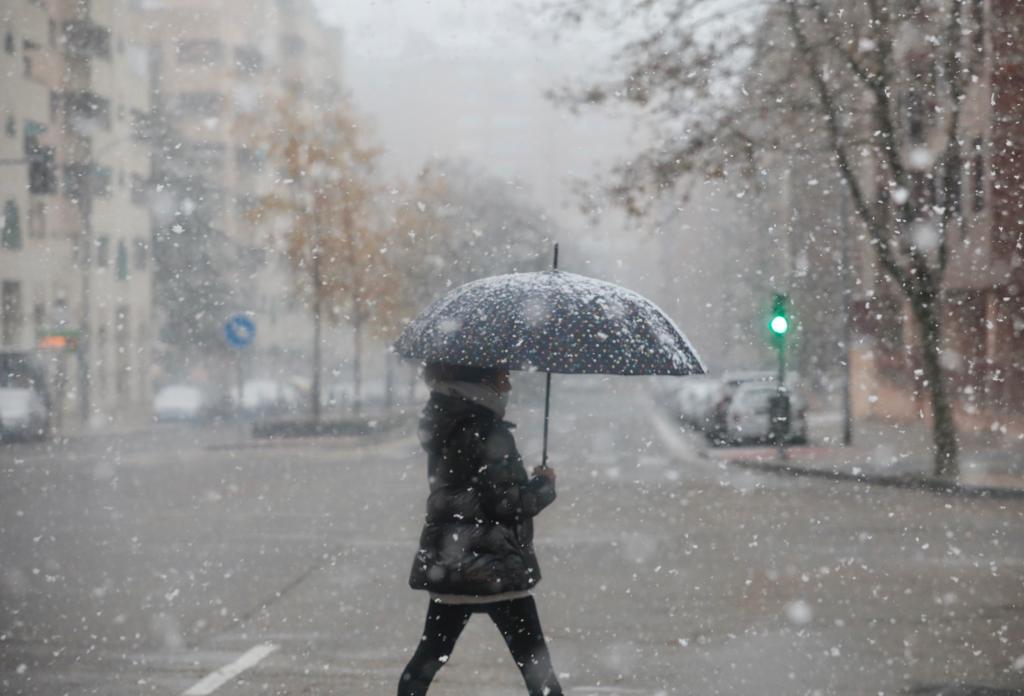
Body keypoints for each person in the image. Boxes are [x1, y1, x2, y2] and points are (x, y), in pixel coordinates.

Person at [398, 363, 563, 696]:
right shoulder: (487, 430)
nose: (509, 384)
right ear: (483, 380)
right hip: (494, 565)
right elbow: (505, 503)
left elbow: (465, 492)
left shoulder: (447, 420)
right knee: (536, 667)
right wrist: (543, 486)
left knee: (427, 660)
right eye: (504, 376)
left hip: (453, 562)